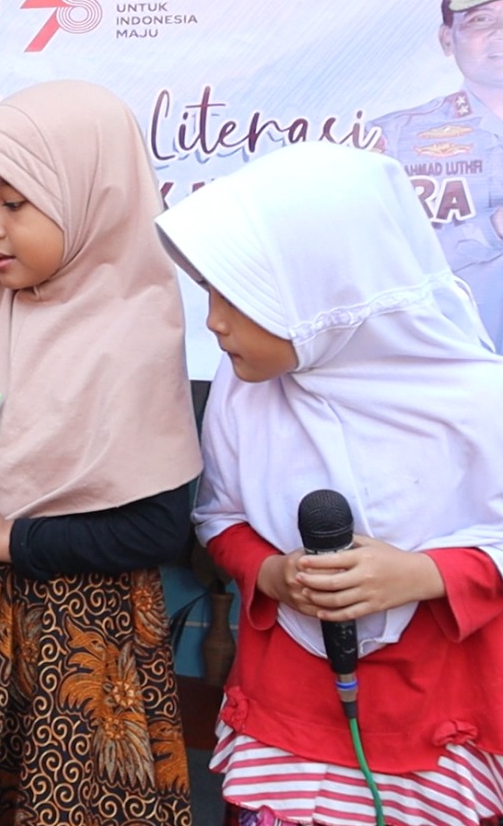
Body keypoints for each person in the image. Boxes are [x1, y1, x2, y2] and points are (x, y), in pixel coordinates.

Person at [0, 81, 204, 826]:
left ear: (91, 194)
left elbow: (157, 528)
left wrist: (2, 537)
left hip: (77, 652)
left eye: (14, 203)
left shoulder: (133, 332)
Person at [156, 141, 503, 826]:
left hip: (430, 718)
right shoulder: (243, 389)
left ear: (325, 287)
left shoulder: (479, 401)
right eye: (208, 294)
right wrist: (273, 572)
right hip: (283, 711)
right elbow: (220, 517)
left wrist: (423, 574)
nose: (214, 322)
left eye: (238, 295)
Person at [370, 0, 503, 344]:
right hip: (451, 374)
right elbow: (372, 265)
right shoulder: (392, 140)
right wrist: (490, 231)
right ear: (448, 39)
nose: (500, 33)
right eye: (480, 19)